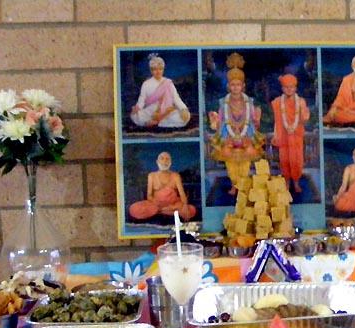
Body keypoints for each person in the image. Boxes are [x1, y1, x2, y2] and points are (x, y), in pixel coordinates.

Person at [208, 53, 264, 195]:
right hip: (228, 135)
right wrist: (215, 120)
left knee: (245, 161)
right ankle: (234, 184)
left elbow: (253, 119)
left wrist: (257, 119)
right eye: (233, 85)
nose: (235, 87)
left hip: (247, 134)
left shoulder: (249, 102)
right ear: (228, 86)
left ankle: (243, 185)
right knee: (230, 162)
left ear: (243, 86)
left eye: (238, 84)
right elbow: (221, 119)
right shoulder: (223, 102)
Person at [270, 74, 310, 193]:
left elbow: (304, 119)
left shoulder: (301, 102)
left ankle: (296, 182)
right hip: (283, 136)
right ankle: (287, 182)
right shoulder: (277, 102)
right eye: (286, 87)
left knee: (297, 160)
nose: (289, 89)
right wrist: (276, 135)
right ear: (282, 88)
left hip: (296, 136)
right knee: (284, 160)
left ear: (295, 88)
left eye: (291, 87)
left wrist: (304, 112)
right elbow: (277, 120)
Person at [128, 151, 197, 221]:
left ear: (170, 162)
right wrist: (158, 204)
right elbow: (149, 196)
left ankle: (161, 211)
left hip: (173, 204)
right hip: (156, 205)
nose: (164, 161)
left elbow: (182, 195)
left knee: (192, 210)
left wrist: (184, 205)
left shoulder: (175, 176)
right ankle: (167, 211)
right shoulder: (152, 175)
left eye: (167, 159)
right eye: (162, 158)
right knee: (134, 209)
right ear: (157, 162)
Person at [130, 54, 190, 129]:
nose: (158, 72)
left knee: (185, 116)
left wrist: (183, 108)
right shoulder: (146, 84)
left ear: (163, 69)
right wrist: (137, 108)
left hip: (167, 111)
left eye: (160, 69)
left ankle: (157, 122)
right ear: (151, 70)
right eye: (155, 69)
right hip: (151, 111)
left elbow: (176, 98)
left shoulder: (168, 83)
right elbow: (142, 100)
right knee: (135, 116)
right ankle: (158, 121)